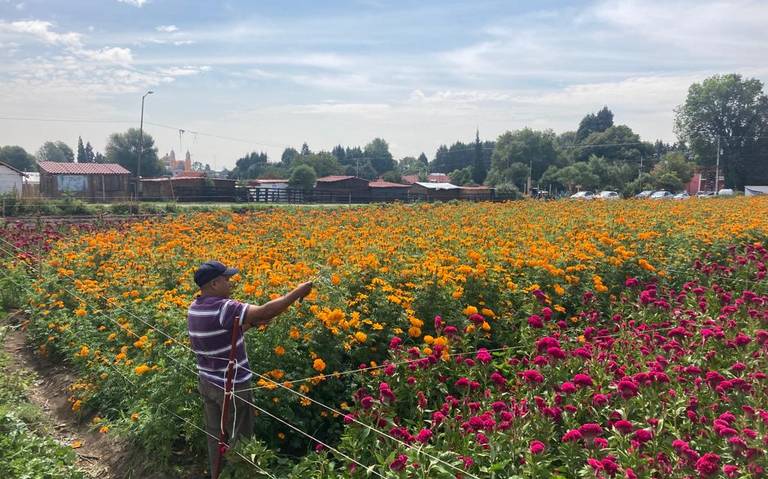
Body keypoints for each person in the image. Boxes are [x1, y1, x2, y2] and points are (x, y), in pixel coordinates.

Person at [188, 260, 312, 478]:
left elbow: (224, 332)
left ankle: (219, 474)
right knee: (240, 439)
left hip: (207, 383)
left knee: (216, 435)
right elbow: (265, 311)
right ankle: (242, 474)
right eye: (227, 280)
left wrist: (251, 324)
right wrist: (297, 292)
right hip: (232, 387)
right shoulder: (224, 307)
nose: (231, 284)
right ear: (215, 284)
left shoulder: (195, 308)